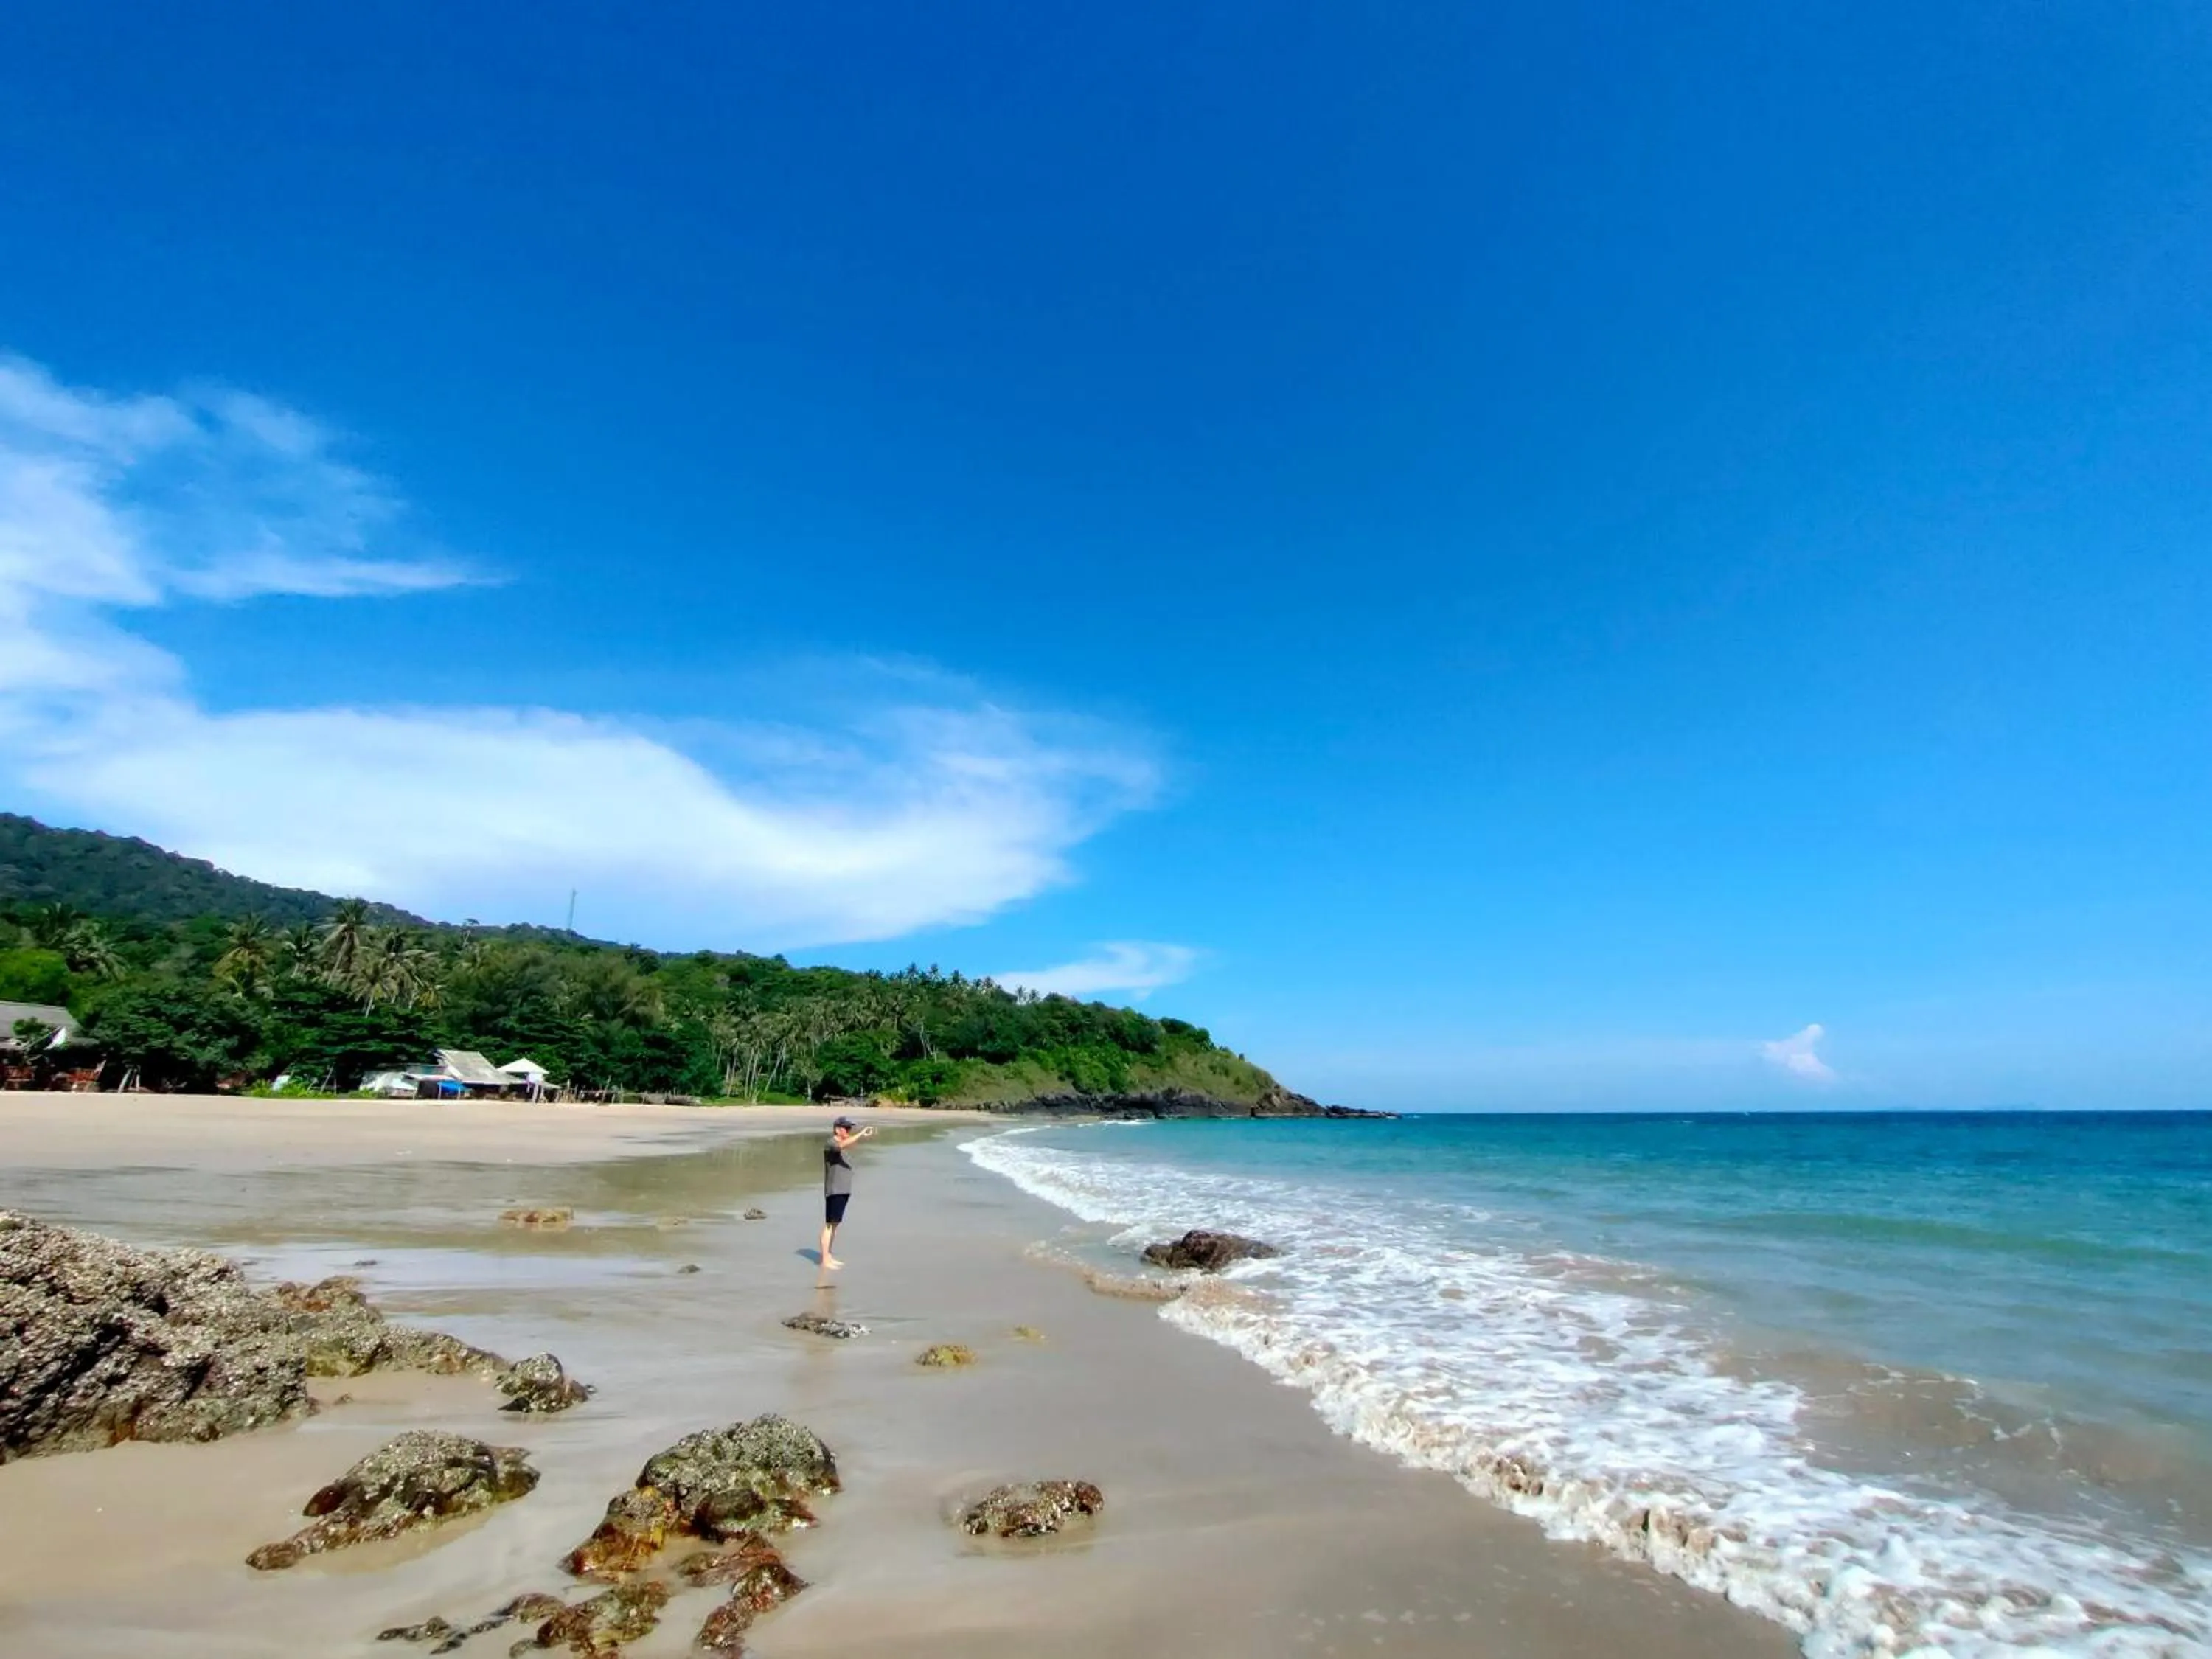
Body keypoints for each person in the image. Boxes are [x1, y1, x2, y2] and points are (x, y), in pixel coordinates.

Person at [818, 1116, 873, 1269]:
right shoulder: (831, 1143)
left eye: (850, 1128)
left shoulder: (842, 1145)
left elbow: (848, 1144)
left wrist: (861, 1136)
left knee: (835, 1225)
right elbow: (842, 1145)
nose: (849, 1130)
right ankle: (825, 1260)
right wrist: (861, 1134)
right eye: (847, 1128)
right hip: (834, 1190)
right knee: (829, 1225)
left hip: (843, 1190)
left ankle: (829, 1256)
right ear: (837, 1129)